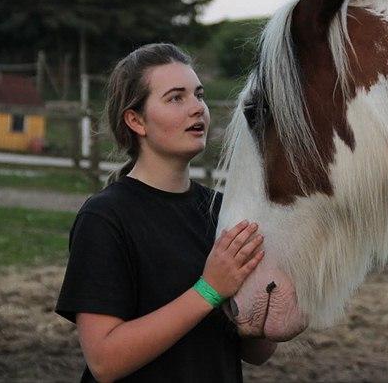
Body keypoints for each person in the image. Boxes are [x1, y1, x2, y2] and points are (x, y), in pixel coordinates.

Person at [55, 43, 276, 382]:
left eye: (198, 95)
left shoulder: (223, 212)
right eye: (176, 98)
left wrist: (269, 309)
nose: (197, 109)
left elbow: (256, 353)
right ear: (136, 120)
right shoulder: (105, 218)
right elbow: (104, 360)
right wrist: (209, 290)